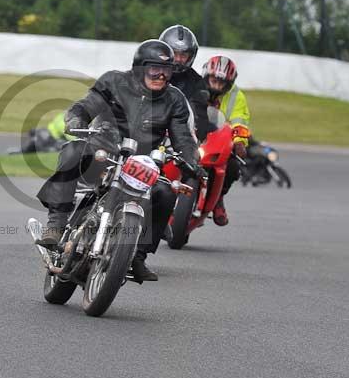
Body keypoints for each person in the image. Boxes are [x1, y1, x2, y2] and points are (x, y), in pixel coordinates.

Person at [36, 39, 199, 281]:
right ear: (140, 68)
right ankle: (56, 223)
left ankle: (138, 256)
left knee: (165, 192)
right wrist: (77, 120)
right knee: (72, 152)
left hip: (142, 162)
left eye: (167, 71)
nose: (162, 76)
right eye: (155, 70)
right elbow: (86, 105)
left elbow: (182, 136)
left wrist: (191, 160)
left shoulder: (174, 99)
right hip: (103, 151)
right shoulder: (113, 81)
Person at [202, 55, 251, 226]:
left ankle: (218, 198)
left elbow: (240, 121)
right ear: (207, 75)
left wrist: (239, 142)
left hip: (220, 139)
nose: (217, 85)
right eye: (214, 80)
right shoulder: (194, 86)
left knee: (233, 167)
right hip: (191, 135)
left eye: (221, 82)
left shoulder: (236, 96)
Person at [158, 24, 211, 141]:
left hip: (180, 139)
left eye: (183, 55)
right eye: (174, 53)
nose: (177, 59)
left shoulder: (197, 83)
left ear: (191, 56)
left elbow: (200, 117)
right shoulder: (151, 74)